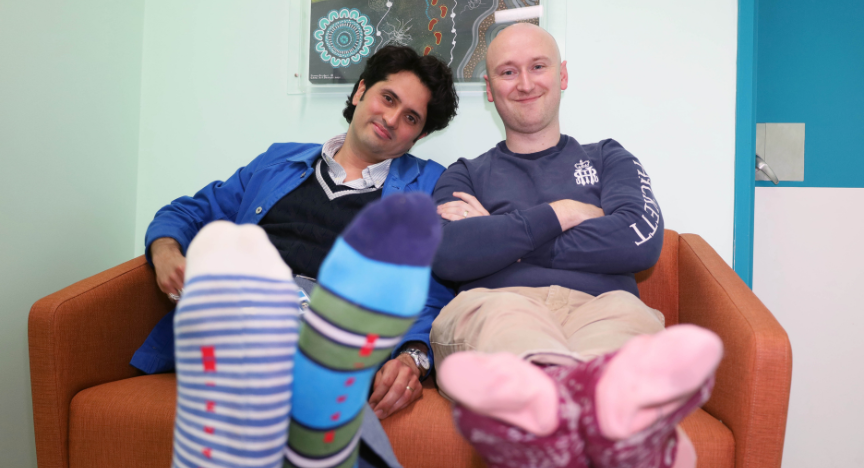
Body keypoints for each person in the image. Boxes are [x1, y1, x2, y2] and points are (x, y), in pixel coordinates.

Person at [133, 45, 458, 466]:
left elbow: (436, 283)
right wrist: (165, 251)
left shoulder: (429, 185)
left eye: (411, 117)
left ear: (420, 134)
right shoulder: (278, 161)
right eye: (388, 98)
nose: (392, 119)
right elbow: (190, 210)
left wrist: (414, 357)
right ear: (361, 91)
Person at [429, 23, 717, 468]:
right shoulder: (463, 174)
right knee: (517, 343)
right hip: (498, 306)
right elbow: (448, 253)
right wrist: (563, 213)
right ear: (488, 89)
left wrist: (502, 233)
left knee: (616, 361)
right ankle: (574, 408)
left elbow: (639, 241)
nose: (524, 83)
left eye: (538, 66)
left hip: (608, 307)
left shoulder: (608, 157)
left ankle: (576, 412)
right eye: (507, 72)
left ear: (562, 75)